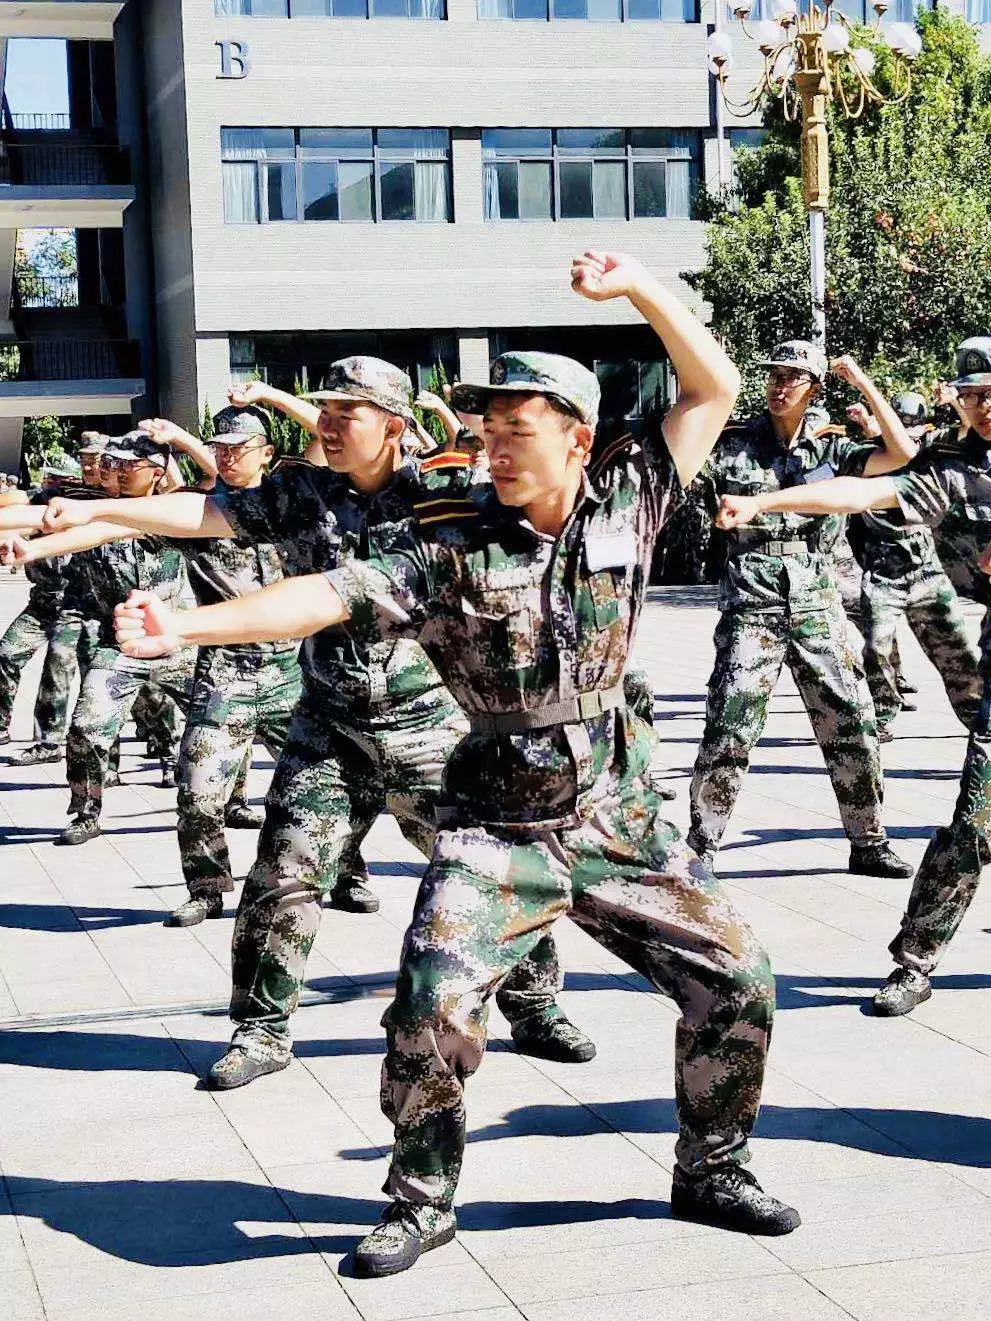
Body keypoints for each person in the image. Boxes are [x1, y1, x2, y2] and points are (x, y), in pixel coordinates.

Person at [111, 251, 803, 1274]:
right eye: (483, 432)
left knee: (737, 973)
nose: (492, 451)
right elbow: (328, 594)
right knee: (430, 1008)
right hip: (493, 826)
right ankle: (421, 1196)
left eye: (515, 432)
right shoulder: (443, 537)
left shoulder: (632, 494)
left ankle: (711, 1166)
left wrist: (639, 289)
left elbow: (714, 384)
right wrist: (191, 625)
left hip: (620, 817)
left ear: (577, 436)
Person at [45, 356, 596, 1078]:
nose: (330, 425)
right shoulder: (305, 492)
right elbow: (206, 512)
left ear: (393, 426)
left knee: (489, 873)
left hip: (433, 725)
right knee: (282, 874)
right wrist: (96, 508)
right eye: (325, 411)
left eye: (348, 413)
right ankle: (262, 1030)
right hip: (330, 725)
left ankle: (533, 1004)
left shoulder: (444, 492)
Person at [714, 335, 991, 1017]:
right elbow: (859, 488)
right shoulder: (951, 469)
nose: (984, 406)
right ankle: (915, 959)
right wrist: (763, 505)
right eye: (973, 395)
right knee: (973, 827)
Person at [686, 342, 915, 879]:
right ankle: (700, 846)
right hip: (751, 603)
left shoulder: (835, 451)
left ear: (814, 386)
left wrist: (862, 383)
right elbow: (681, 472)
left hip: (816, 600)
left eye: (793, 377)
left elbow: (903, 455)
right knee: (730, 725)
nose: (779, 385)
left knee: (852, 720)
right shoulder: (732, 444)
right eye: (774, 375)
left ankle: (868, 840)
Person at [844, 392, 980, 742]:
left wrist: (955, 403)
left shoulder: (934, 449)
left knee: (957, 651)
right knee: (876, 645)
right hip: (883, 568)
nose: (913, 439)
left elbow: (972, 436)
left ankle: (980, 720)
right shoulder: (877, 453)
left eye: (918, 431)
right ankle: (883, 712)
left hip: (928, 567)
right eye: (907, 430)